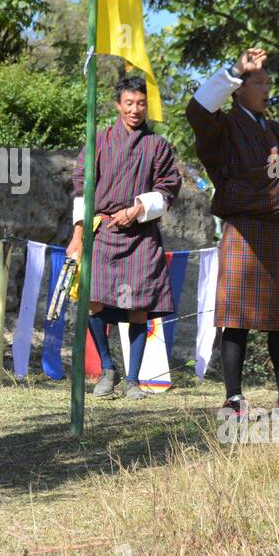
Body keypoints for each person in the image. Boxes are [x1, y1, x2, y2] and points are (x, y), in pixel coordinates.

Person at [185, 48, 279, 419]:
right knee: (237, 316)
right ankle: (233, 398)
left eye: (268, 82)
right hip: (243, 229)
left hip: (278, 231)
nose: (266, 89)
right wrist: (234, 69)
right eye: (258, 82)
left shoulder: (275, 131)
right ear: (238, 90)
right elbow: (197, 110)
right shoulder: (223, 126)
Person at [66, 75, 182, 400]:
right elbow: (82, 186)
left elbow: (168, 186)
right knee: (92, 299)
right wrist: (78, 234)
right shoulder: (99, 141)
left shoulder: (157, 145)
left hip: (141, 234)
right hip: (102, 231)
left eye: (141, 104)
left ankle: (133, 379)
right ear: (118, 105)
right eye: (129, 103)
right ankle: (108, 367)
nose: (135, 110)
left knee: (138, 306)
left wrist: (137, 209)